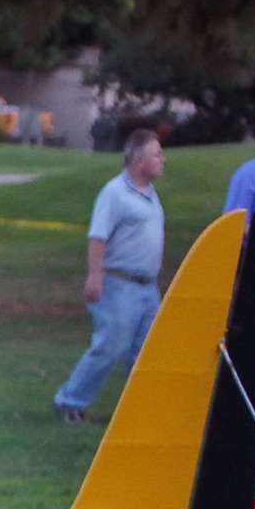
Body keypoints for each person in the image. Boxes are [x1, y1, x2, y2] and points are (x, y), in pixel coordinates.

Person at [54, 128, 169, 422]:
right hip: (119, 284)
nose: (162, 160)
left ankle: (138, 410)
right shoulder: (115, 193)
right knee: (110, 346)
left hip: (148, 288)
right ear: (138, 159)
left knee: (146, 351)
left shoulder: (151, 195)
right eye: (157, 154)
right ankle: (70, 401)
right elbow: (98, 237)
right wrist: (95, 277)